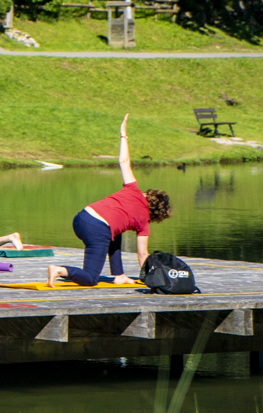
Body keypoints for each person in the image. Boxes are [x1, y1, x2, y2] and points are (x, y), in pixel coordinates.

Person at [49, 117, 173, 286]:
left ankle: (119, 275)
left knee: (116, 232)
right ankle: (59, 270)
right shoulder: (144, 222)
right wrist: (151, 280)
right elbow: (142, 254)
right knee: (90, 278)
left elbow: (124, 162)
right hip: (97, 229)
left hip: (81, 217)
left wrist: (123, 135)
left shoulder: (133, 189)